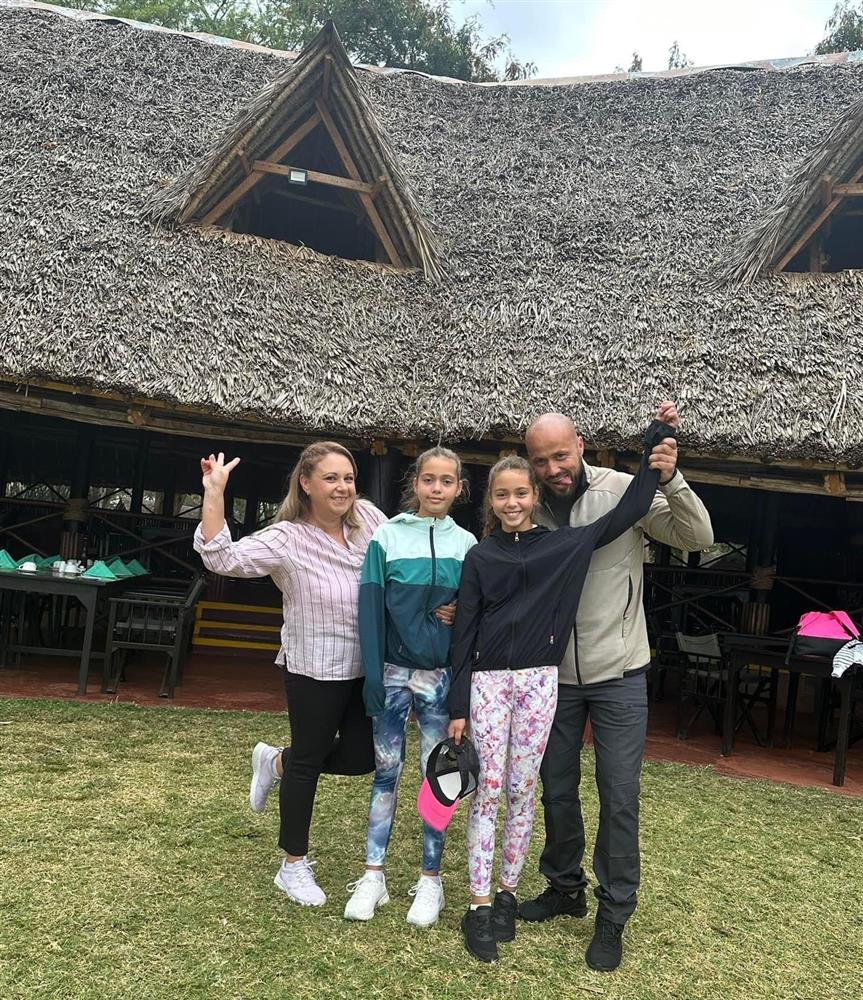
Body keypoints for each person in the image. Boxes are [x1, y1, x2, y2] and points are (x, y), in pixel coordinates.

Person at [447, 414, 675, 964]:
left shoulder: (563, 545)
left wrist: (654, 452)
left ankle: (558, 905)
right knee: (507, 790)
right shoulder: (481, 555)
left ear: (534, 495)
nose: (513, 501)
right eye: (502, 494)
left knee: (554, 792)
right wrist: (457, 703)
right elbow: (465, 631)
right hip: (495, 685)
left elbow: (627, 513)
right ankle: (495, 901)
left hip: (563, 680)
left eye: (521, 492)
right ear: (491, 501)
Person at [518, 401, 713, 972]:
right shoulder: (526, 505)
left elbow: (698, 537)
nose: (553, 469)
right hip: (552, 675)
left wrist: (670, 478)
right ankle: (564, 886)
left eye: (560, 455)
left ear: (580, 445)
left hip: (620, 672)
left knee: (619, 795)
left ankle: (614, 909)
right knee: (555, 788)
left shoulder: (623, 490)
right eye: (540, 460)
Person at [193, 441, 388, 908]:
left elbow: (405, 562)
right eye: (331, 478)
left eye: (348, 478)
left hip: (368, 664)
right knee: (309, 764)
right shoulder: (287, 538)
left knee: (362, 758)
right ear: (306, 484)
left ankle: (275, 762)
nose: (342, 488)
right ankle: (293, 865)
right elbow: (222, 558)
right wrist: (214, 491)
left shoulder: (370, 520)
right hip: (314, 666)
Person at [343, 447, 476, 927]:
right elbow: (370, 608)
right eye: (428, 479)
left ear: (459, 489)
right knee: (386, 772)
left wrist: (462, 611)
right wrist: (373, 675)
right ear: (415, 483)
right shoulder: (387, 537)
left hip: (439, 677)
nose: (436, 488)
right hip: (393, 673)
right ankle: (373, 875)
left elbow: (477, 613)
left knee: (437, 779)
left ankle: (431, 880)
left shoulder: (467, 545)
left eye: (447, 481)